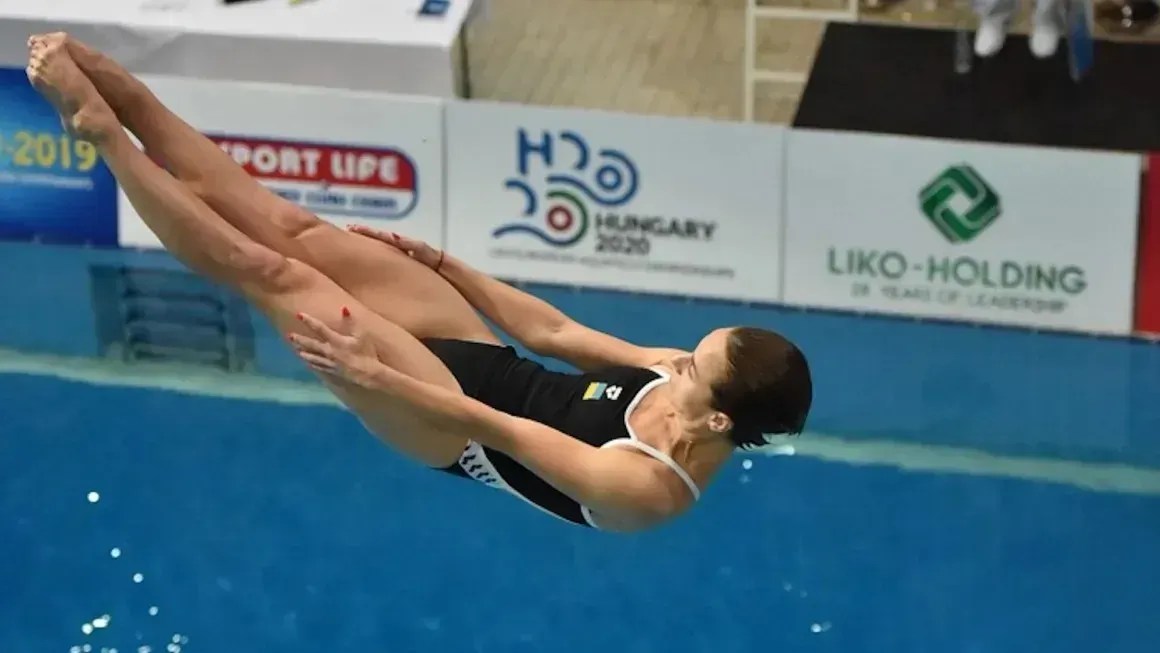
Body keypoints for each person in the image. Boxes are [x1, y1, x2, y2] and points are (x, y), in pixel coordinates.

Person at [25, 33, 813, 532]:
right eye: (695, 350)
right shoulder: (682, 373)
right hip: (482, 356)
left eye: (694, 369)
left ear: (714, 420)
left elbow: (497, 427)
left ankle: (100, 134)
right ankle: (127, 92)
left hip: (450, 427)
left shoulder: (646, 487)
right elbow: (556, 336)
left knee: (272, 271)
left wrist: (376, 375)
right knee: (293, 228)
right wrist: (450, 268)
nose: (679, 362)